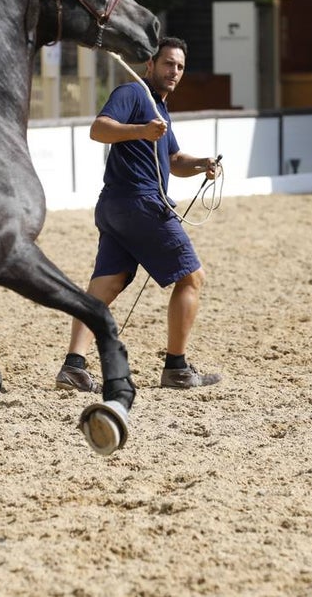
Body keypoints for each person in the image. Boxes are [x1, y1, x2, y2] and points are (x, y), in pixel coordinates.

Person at [56, 36, 222, 393]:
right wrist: (141, 131)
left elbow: (174, 161)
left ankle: (73, 366)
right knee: (192, 278)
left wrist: (202, 164)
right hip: (139, 204)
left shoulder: (162, 109)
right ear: (150, 65)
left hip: (116, 207)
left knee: (106, 285)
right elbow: (99, 129)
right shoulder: (133, 94)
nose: (174, 71)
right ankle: (176, 368)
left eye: (179, 66)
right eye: (167, 64)